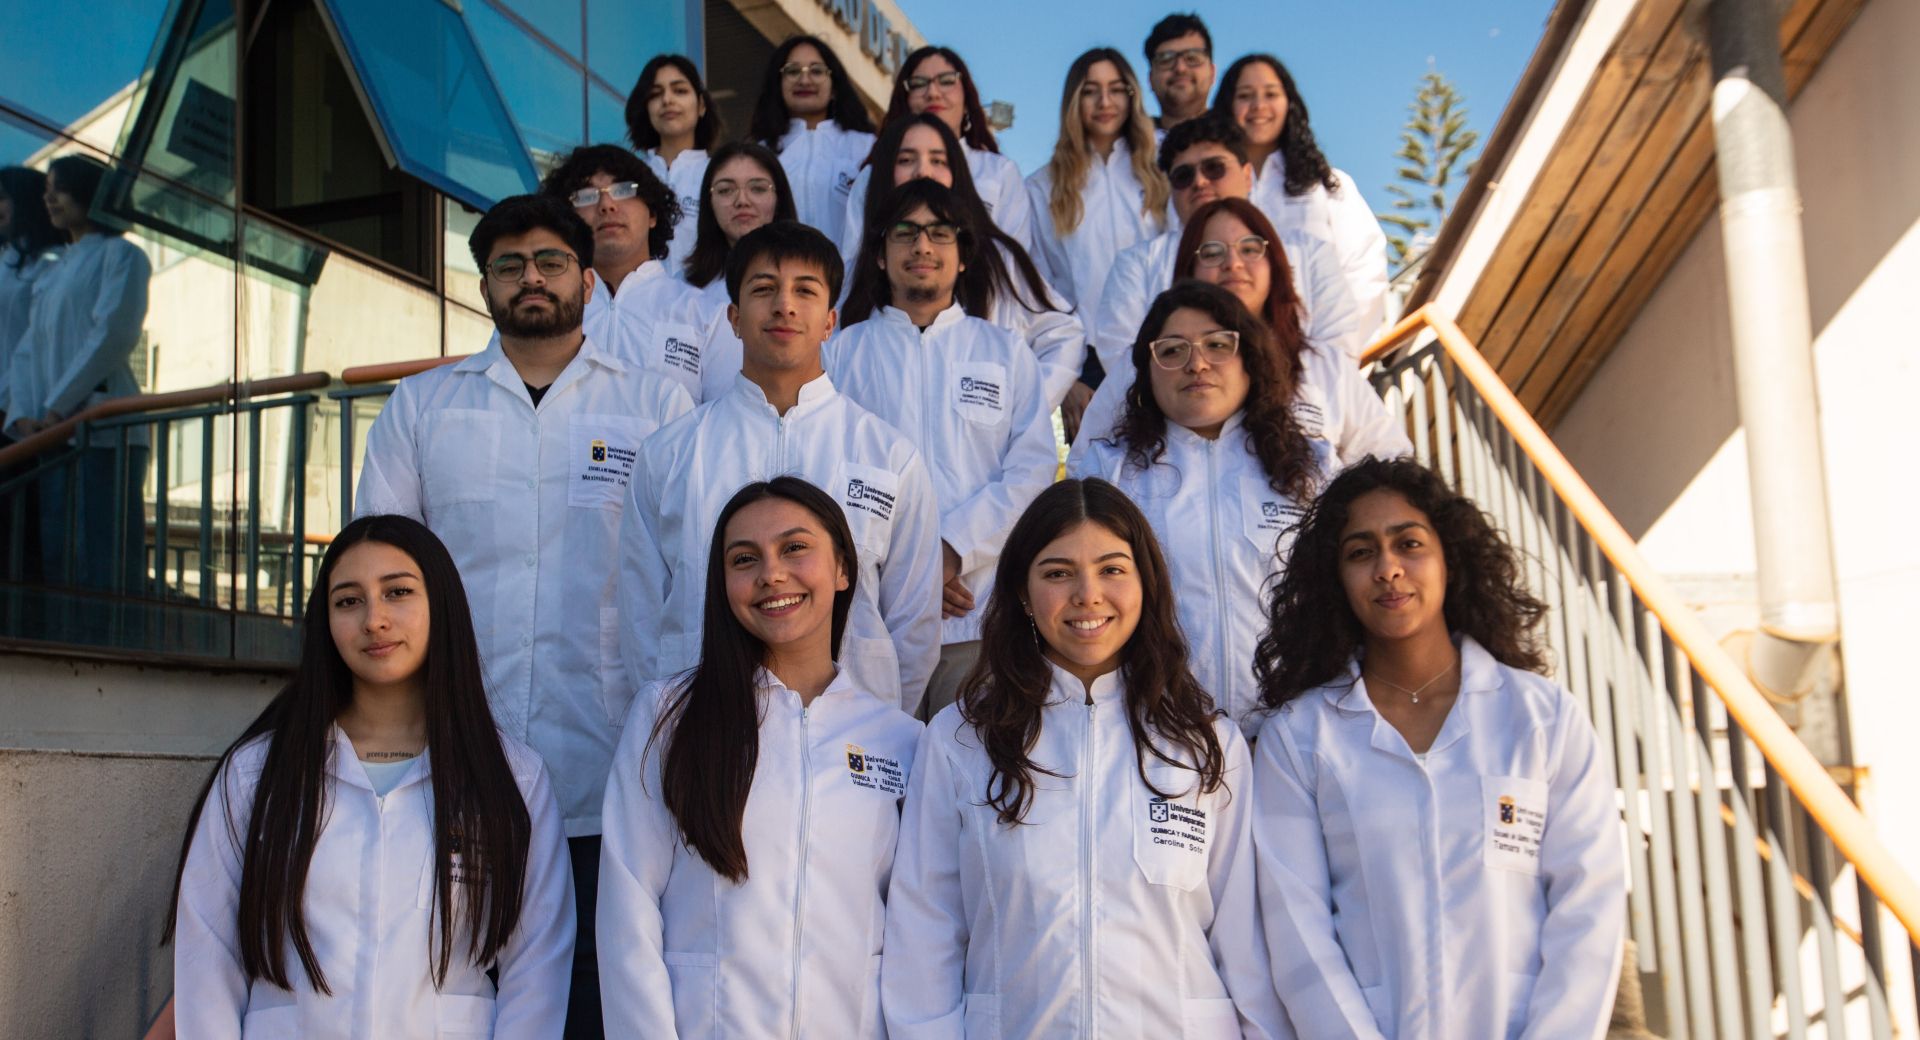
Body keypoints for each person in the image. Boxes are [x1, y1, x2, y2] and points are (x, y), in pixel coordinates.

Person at [354, 193, 693, 1039]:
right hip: (457, 751)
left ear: (587, 278)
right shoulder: (423, 409)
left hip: (607, 756)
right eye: (509, 265)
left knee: (593, 987)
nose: (530, 278)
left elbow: (687, 580)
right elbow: (379, 574)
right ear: (484, 287)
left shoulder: (657, 408)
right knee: (453, 971)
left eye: (549, 262)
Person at [882, 478, 1287, 1037]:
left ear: (1146, 584)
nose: (1088, 594)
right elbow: (924, 932)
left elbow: (1248, 948)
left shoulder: (1208, 744)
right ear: (1023, 594)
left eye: (1112, 569)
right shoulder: (959, 739)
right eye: (1057, 573)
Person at [1251, 457, 1626, 1038]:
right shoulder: (1300, 738)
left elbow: (1589, 908)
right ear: (1335, 579)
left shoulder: (1542, 719)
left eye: (1409, 544)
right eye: (1361, 552)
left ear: (1451, 556)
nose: (1388, 569)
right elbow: (1297, 931)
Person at [168, 514, 575, 1038]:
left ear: (441, 605)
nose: (374, 619)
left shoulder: (512, 780)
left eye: (397, 592)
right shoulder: (256, 776)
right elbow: (208, 960)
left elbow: (537, 971)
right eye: (348, 601)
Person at [599, 477, 922, 1036]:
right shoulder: (667, 717)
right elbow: (629, 911)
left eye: (794, 548)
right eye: (744, 559)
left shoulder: (900, 742)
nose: (771, 573)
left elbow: (919, 933)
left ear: (843, 569)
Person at [619, 220, 941, 714]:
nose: (784, 305)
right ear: (733, 317)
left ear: (830, 321)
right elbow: (641, 614)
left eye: (804, 290)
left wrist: (879, 727)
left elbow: (914, 623)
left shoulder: (888, 456)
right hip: (705, 722)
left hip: (852, 730)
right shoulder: (670, 452)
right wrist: (673, 724)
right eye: (764, 289)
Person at [1072, 273, 1408, 739]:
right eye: (1172, 350)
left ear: (1250, 358)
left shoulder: (1312, 467)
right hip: (1159, 735)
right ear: (1147, 372)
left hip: (1297, 733)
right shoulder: (1108, 473)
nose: (1197, 364)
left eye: (1217, 345)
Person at [828, 180, 1057, 718]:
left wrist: (951, 552)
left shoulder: (1005, 352)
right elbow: (827, 474)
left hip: (977, 618)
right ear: (879, 254)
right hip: (871, 623)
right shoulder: (841, 354)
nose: (922, 246)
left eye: (939, 232)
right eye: (905, 232)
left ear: (962, 255)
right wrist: (910, 571)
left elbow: (1032, 470)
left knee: (973, 764)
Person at [1076, 115, 1364, 448]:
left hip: (1306, 417)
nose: (1199, 182)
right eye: (1183, 176)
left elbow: (1338, 340)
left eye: (1214, 168)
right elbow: (1127, 359)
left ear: (1247, 174)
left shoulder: (1308, 251)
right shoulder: (1137, 263)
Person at [840, 114, 1083, 408]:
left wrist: (1021, 411)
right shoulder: (856, 266)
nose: (923, 171)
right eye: (905, 160)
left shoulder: (998, 259)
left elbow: (1062, 333)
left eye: (938, 161)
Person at [3, 154, 151, 592]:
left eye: (61, 188)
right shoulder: (57, 268)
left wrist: (55, 407)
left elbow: (112, 334)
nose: (50, 198)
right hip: (54, 432)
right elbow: (28, 351)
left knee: (100, 558)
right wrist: (23, 415)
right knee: (60, 556)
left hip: (100, 430)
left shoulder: (122, 255)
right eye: (47, 190)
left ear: (92, 194)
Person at [1026, 48, 1170, 438]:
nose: (1105, 102)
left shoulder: (1163, 164)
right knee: (1098, 470)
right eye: (1091, 91)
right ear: (1074, 100)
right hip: (1088, 362)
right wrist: (1067, 378)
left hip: (1164, 345)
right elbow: (1038, 290)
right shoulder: (1043, 186)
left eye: (1116, 89)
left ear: (1132, 94)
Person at [1214, 54, 1390, 334]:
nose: (1259, 106)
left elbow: (1364, 269)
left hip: (1322, 344)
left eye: (1271, 94)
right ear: (1228, 106)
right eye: (1245, 95)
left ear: (1289, 103)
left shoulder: (1328, 185)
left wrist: (1333, 345)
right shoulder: (1208, 189)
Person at [840, 47, 1039, 264]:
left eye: (946, 81)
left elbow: (1013, 264)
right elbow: (853, 260)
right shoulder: (875, 174)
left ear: (967, 98)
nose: (933, 93)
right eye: (918, 84)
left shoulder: (999, 172)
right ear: (905, 101)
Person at [538, 145, 705, 402]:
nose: (606, 205)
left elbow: (726, 415)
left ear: (652, 214)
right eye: (586, 195)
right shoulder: (539, 307)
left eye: (623, 190)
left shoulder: (703, 312)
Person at [671, 141, 800, 403]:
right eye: (726, 190)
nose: (742, 201)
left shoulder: (810, 282)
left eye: (758, 188)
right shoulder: (682, 286)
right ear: (709, 202)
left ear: (779, 198)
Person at [749, 36, 876, 245]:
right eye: (792, 71)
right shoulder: (759, 154)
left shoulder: (867, 146)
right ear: (778, 85)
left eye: (816, 71)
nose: (804, 80)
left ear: (834, 86)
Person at [625, 55, 723, 279]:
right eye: (655, 94)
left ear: (701, 105)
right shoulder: (628, 177)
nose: (667, 100)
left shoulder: (720, 174)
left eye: (680, 91)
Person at [0, 166, 63, 423]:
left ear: (25, 201)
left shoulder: (54, 261)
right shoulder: (6, 260)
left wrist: (6, 402)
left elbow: (36, 343)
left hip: (25, 411)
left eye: (2, 198)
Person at [1143, 13, 1216, 133]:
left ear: (1212, 73)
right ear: (1150, 79)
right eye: (1166, 60)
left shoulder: (1241, 138)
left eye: (1192, 58)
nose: (1180, 68)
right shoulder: (1128, 142)